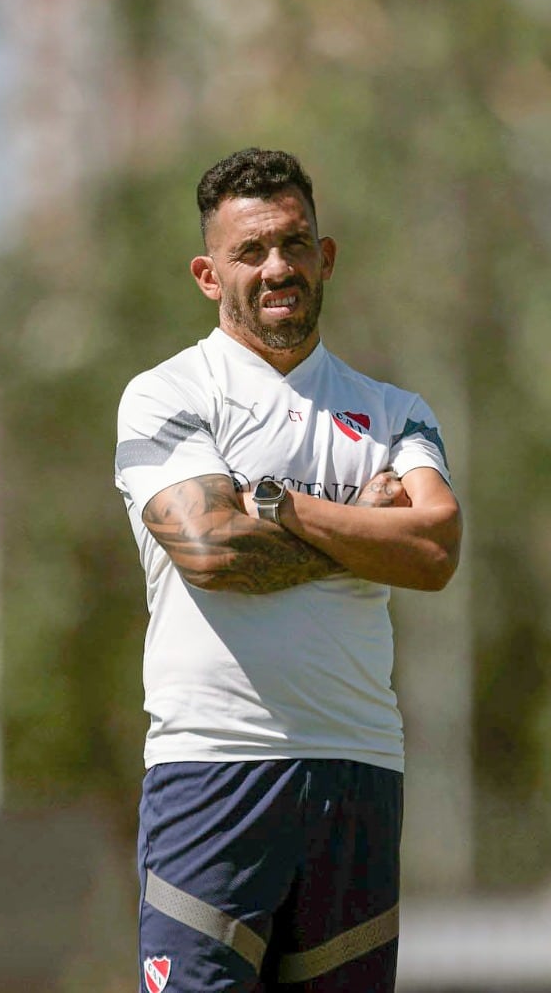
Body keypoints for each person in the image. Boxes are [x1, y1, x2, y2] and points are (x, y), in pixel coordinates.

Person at [114, 147, 462, 992]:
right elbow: (210, 551)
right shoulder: (168, 394)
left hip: (358, 768)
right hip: (215, 768)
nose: (278, 268)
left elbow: (433, 548)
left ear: (325, 255)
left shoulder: (394, 409)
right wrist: (360, 522)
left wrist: (279, 505)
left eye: (295, 244)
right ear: (207, 273)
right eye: (251, 251)